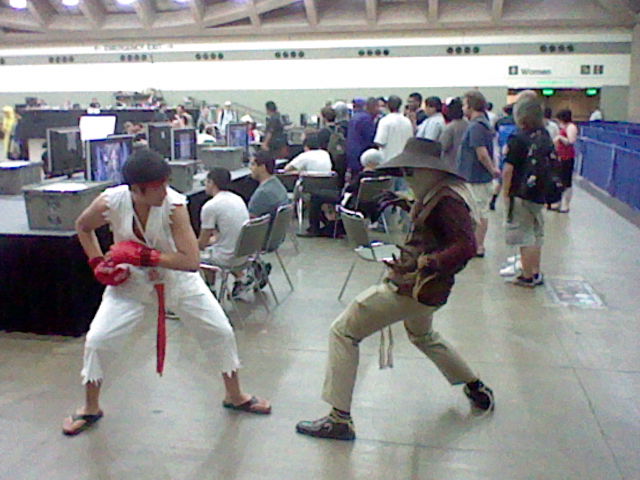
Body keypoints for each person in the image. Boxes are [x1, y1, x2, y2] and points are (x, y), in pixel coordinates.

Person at [295, 138, 494, 441]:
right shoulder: (441, 193)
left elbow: (466, 244)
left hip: (412, 287)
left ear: (428, 170)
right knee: (423, 335)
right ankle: (475, 386)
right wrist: (406, 204)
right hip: (427, 290)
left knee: (343, 331)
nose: (407, 176)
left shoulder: (446, 201)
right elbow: (442, 227)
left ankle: (339, 418)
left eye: (411, 171)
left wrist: (432, 261)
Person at [63, 149, 270, 436]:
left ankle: (234, 395)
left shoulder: (174, 205)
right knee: (98, 340)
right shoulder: (112, 201)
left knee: (220, 331)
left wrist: (145, 256)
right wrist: (98, 262)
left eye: (165, 182)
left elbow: (190, 260)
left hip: (178, 282)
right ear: (136, 189)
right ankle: (90, 407)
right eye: (156, 186)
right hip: (131, 284)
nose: (164, 190)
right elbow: (83, 227)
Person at [502, 97, 553, 287]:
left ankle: (526, 274)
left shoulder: (518, 138)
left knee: (525, 235)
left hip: (521, 192)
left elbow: (509, 169)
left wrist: (505, 194)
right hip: (540, 191)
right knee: (537, 232)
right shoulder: (544, 135)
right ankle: (536, 271)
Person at [198, 167, 254, 296]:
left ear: (211, 183)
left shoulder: (210, 206)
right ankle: (241, 278)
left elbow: (201, 243)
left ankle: (210, 292)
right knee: (216, 247)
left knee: (196, 256)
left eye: (206, 182)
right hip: (244, 254)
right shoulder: (237, 199)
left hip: (228, 258)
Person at [457, 90, 499, 257]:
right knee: (477, 212)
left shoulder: (476, 126)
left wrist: (492, 170)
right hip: (475, 177)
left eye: (464, 104)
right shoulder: (481, 124)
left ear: (471, 106)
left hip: (477, 179)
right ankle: (474, 244)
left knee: (479, 213)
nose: (463, 108)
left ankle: (478, 246)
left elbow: (481, 153)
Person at [248, 150, 289, 219]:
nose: (250, 168)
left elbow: (250, 220)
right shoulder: (277, 183)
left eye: (253, 164)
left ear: (262, 167)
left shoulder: (263, 193)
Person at [553, 109, 578, 213]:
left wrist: (560, 137)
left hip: (567, 157)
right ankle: (558, 202)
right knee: (559, 180)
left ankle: (566, 205)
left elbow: (571, 141)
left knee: (566, 181)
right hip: (560, 156)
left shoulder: (571, 127)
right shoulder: (563, 127)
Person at [345, 97, 376, 177]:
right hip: (362, 156)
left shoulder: (353, 118)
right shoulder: (366, 119)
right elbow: (370, 138)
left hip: (352, 156)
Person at [440, 97, 468, 170]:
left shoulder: (450, 127)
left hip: (451, 165)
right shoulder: (468, 124)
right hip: (465, 165)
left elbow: (443, 146)